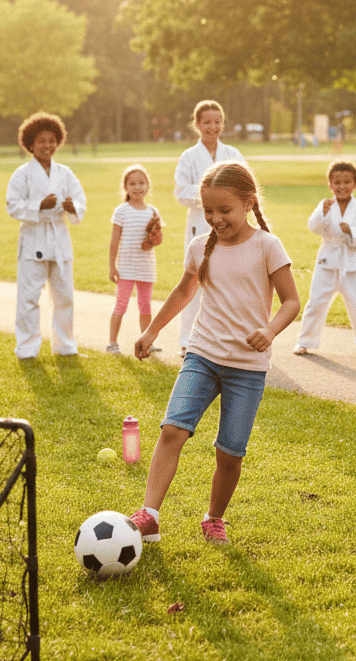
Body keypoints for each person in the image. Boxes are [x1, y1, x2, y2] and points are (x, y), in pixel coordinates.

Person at [130, 161, 300, 545]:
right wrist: (151, 330)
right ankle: (150, 515)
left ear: (248, 203)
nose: (215, 218)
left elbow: (291, 301)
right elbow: (183, 292)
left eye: (224, 210)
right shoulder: (199, 246)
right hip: (202, 355)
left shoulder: (267, 246)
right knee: (173, 429)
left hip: (247, 367)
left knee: (230, 454)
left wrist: (270, 330)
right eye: (209, 211)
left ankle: (213, 518)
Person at [6, 112, 86, 359]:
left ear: (58, 142)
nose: (47, 145)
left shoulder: (65, 173)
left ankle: (66, 346)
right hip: (33, 239)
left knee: (65, 297)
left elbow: (80, 199)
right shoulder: (22, 173)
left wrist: (73, 207)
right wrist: (38, 205)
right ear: (30, 144)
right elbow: (12, 205)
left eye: (52, 140)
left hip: (59, 238)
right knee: (28, 298)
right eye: (41, 141)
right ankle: (27, 349)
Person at [173, 100, 245, 355]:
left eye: (217, 122)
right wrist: (213, 195)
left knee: (234, 280)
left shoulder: (233, 154)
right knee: (194, 280)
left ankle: (235, 337)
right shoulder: (189, 157)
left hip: (231, 226)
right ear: (197, 125)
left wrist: (219, 195)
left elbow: (244, 185)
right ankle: (187, 340)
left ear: (222, 123)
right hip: (199, 226)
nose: (212, 127)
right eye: (207, 122)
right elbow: (181, 193)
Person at [293, 160, 356, 355]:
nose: (342, 186)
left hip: (351, 262)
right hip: (327, 260)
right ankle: (305, 341)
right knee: (316, 302)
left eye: (347, 182)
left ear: (355, 184)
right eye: (337, 183)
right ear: (330, 185)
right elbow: (313, 227)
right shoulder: (325, 205)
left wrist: (351, 230)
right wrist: (323, 212)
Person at [107, 163, 162, 355]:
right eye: (132, 184)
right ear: (126, 187)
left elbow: (157, 239)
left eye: (141, 183)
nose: (137, 187)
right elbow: (114, 241)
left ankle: (147, 341)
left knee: (145, 306)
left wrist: (153, 237)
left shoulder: (153, 212)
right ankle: (112, 343)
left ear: (147, 186)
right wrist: (112, 266)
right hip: (126, 268)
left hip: (146, 267)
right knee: (121, 304)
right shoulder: (121, 211)